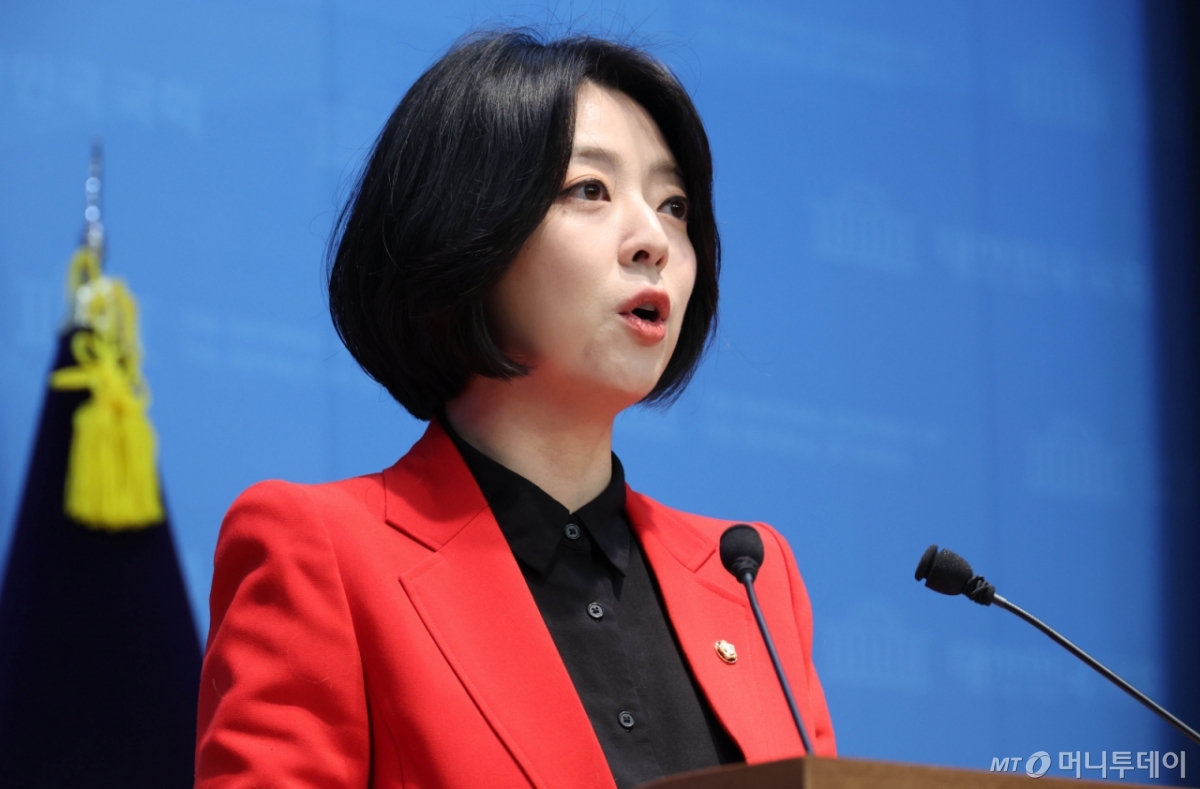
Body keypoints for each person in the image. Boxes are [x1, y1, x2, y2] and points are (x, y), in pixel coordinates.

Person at [195, 30, 835, 789]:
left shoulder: (750, 576)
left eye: (675, 206)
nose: (654, 241)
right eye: (590, 190)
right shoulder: (322, 554)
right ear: (468, 229)